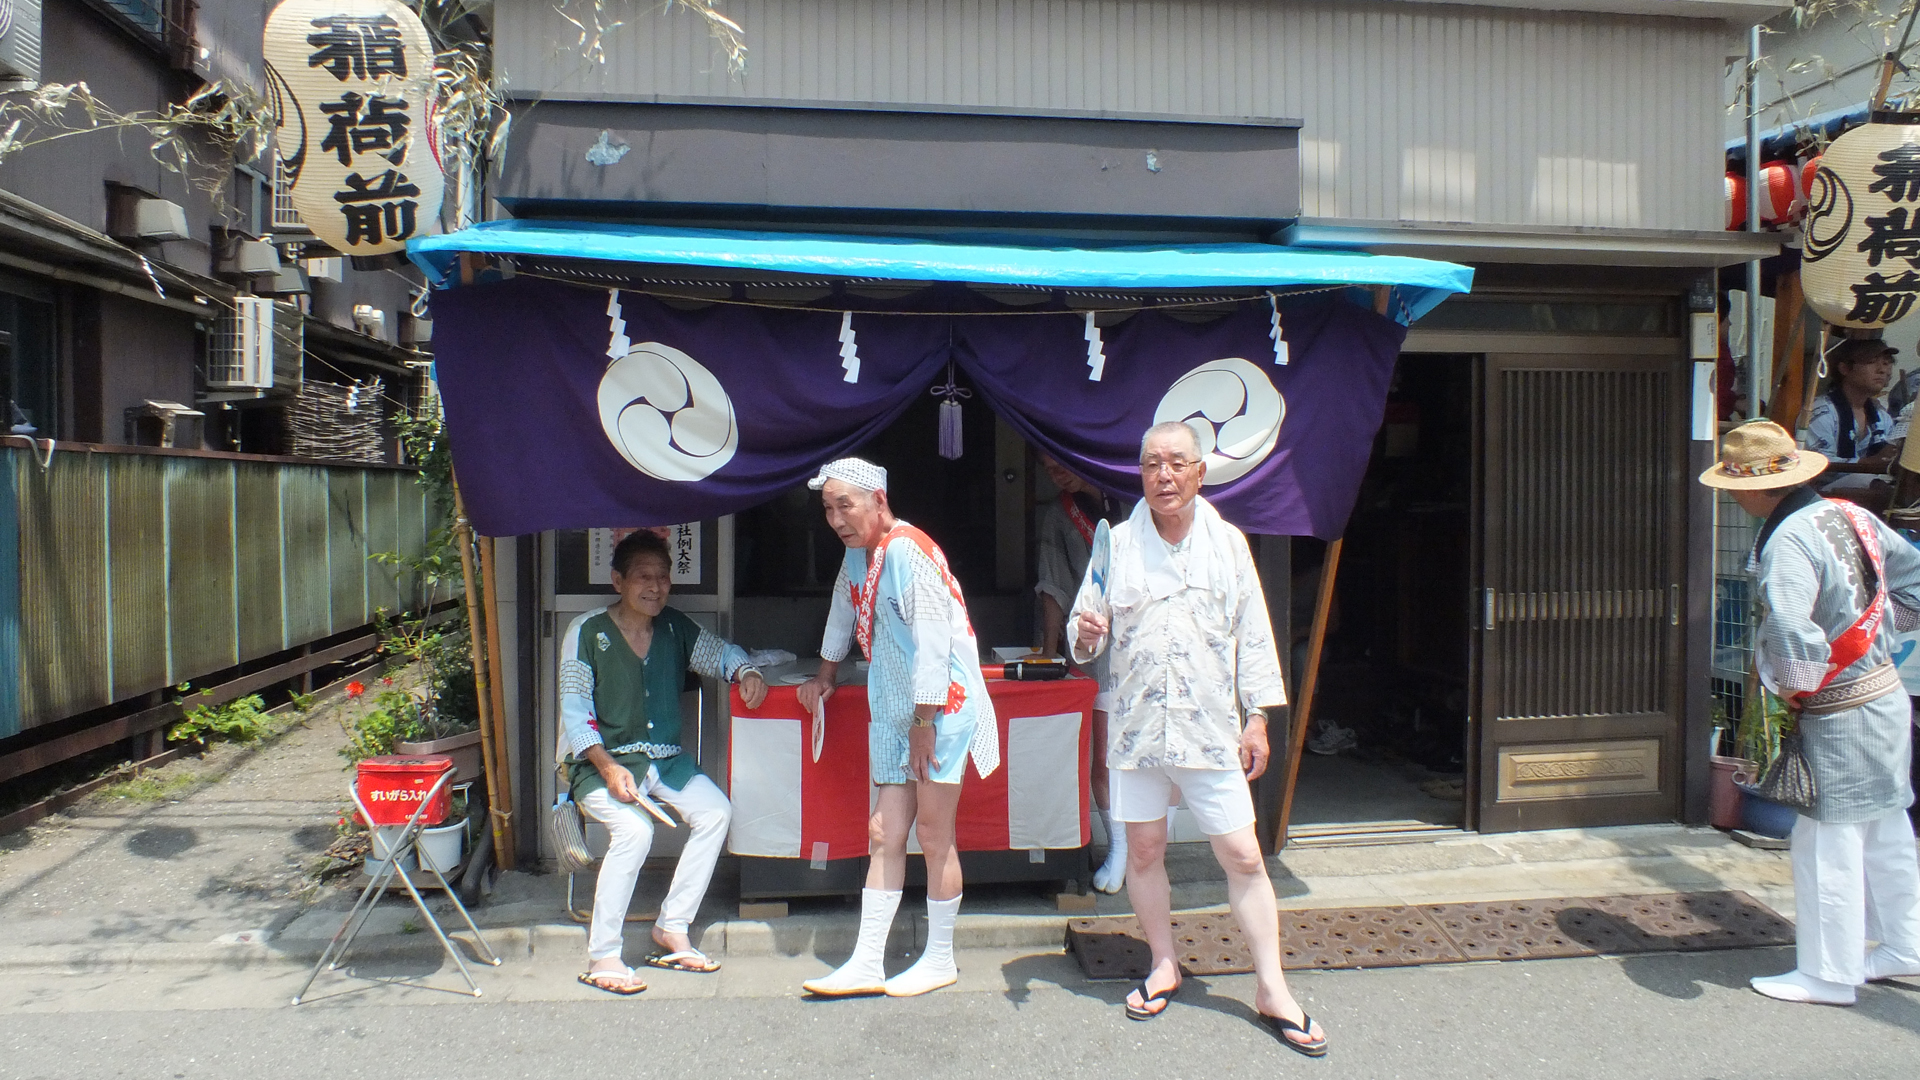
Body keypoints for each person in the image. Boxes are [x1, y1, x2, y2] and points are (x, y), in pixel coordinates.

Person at [1068, 421, 1326, 1056]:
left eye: (1177, 463)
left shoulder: (1228, 544)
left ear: (1199, 473)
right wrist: (1087, 632)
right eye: (1153, 464)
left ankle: (1272, 987)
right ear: (1141, 474)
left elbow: (1255, 633)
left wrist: (1258, 716)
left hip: (1210, 727)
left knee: (1244, 855)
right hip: (1136, 726)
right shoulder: (1115, 544)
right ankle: (1163, 963)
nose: (1164, 475)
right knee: (1144, 850)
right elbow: (1081, 637)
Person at [1700, 419, 1920, 1005]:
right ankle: (1904, 944)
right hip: (1884, 693)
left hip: (1839, 707)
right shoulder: (1849, 514)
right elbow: (1914, 580)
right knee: (1887, 829)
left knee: (1827, 841)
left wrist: (1795, 688)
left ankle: (1828, 974)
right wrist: (1881, 630)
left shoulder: (1789, 540)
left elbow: (1792, 628)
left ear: (1754, 489)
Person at [797, 457, 1000, 998]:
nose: (836, 519)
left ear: (879, 501)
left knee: (933, 834)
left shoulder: (910, 551)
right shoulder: (858, 552)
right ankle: (867, 963)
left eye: (845, 506)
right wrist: (825, 675)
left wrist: (924, 721)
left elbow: (934, 641)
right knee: (884, 833)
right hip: (892, 707)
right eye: (828, 508)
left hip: (939, 709)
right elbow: (843, 609)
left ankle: (940, 959)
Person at [559, 530, 768, 994]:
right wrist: (608, 767)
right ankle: (603, 955)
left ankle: (672, 926)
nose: (655, 587)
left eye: (663, 577)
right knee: (635, 831)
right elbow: (575, 713)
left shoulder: (674, 627)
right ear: (618, 581)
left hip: (665, 763)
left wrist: (746, 670)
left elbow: (721, 654)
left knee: (716, 812)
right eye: (643, 577)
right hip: (599, 766)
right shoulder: (586, 632)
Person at [1033, 452, 1130, 892]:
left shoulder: (1132, 499)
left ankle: (1143, 850)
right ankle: (1119, 846)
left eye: (1060, 463)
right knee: (1104, 757)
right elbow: (1053, 586)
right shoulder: (1060, 515)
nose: (1055, 473)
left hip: (1148, 649)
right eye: (1047, 467)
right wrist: (1048, 653)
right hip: (1094, 649)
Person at [1802, 338, 1898, 506]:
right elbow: (1817, 463)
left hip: (1869, 485)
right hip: (1819, 496)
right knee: (1875, 486)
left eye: (1886, 363)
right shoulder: (1821, 411)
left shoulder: (1881, 416)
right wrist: (1868, 464)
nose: (1882, 370)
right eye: (1871, 362)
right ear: (1844, 368)